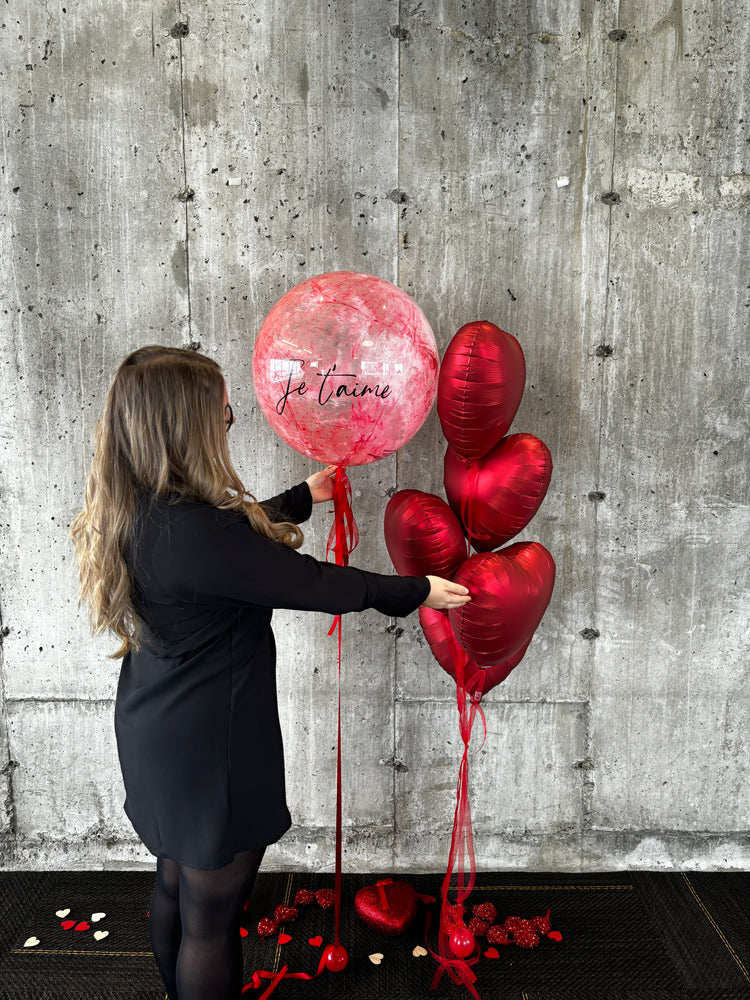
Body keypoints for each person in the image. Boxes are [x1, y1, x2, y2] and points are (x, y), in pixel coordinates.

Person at [71, 345, 469, 1000]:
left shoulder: (139, 506)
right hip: (211, 746)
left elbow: (228, 554)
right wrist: (416, 590)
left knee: (176, 878)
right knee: (212, 921)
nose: (231, 413)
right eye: (218, 407)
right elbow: (307, 581)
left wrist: (298, 499)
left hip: (156, 729)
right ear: (183, 425)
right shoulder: (197, 532)